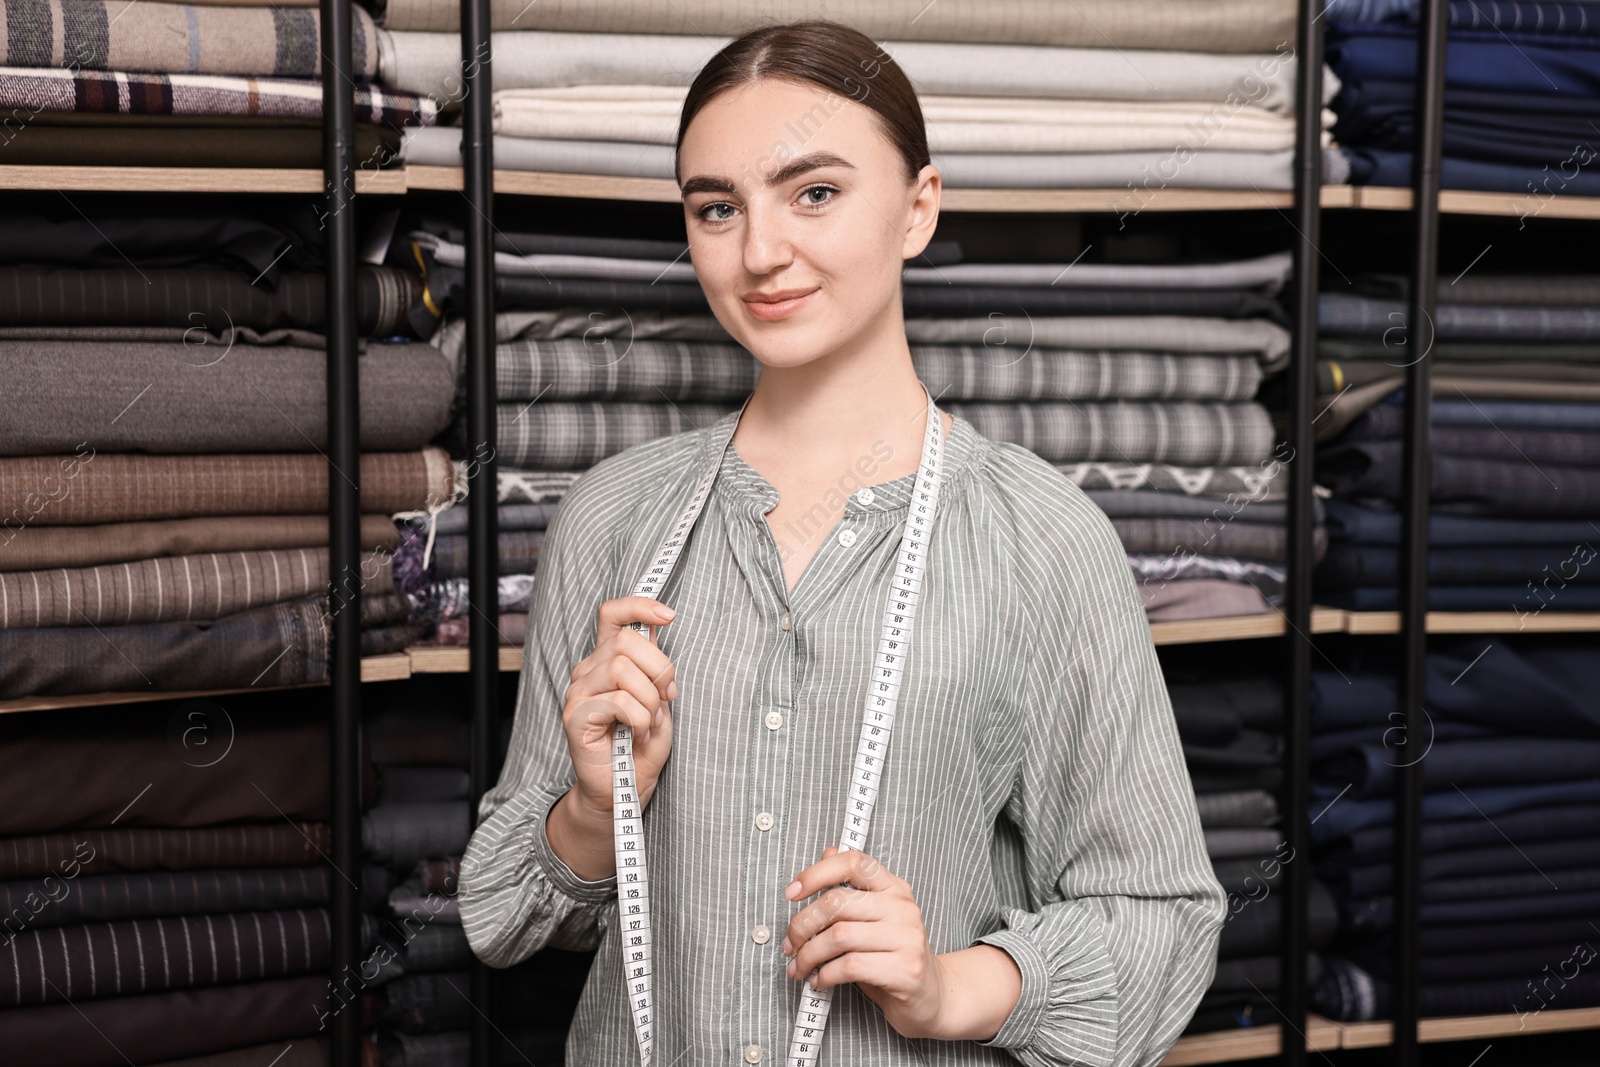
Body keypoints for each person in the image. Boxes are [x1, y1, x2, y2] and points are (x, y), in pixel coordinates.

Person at [457, 18, 1227, 1066]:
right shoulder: (614, 519)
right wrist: (594, 809)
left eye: (813, 193)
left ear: (918, 209)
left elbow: (1163, 919)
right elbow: (499, 914)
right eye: (716, 208)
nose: (760, 251)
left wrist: (950, 984)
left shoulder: (1042, 539)